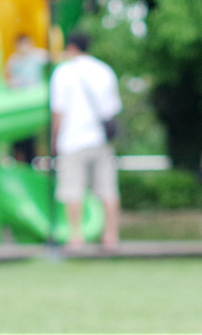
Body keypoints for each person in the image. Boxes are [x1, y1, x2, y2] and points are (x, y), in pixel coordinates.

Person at [49, 32, 122, 250]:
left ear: (70, 47)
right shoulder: (104, 71)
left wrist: (54, 140)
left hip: (72, 140)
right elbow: (112, 110)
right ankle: (111, 236)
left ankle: (76, 237)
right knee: (108, 189)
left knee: (73, 190)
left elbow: (58, 112)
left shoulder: (62, 73)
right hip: (100, 139)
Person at [5, 33, 47, 164]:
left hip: (33, 100)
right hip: (19, 103)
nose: (24, 47)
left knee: (30, 135)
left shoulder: (38, 56)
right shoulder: (13, 61)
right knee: (18, 135)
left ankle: (30, 160)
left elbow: (53, 60)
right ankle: (17, 158)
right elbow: (7, 78)